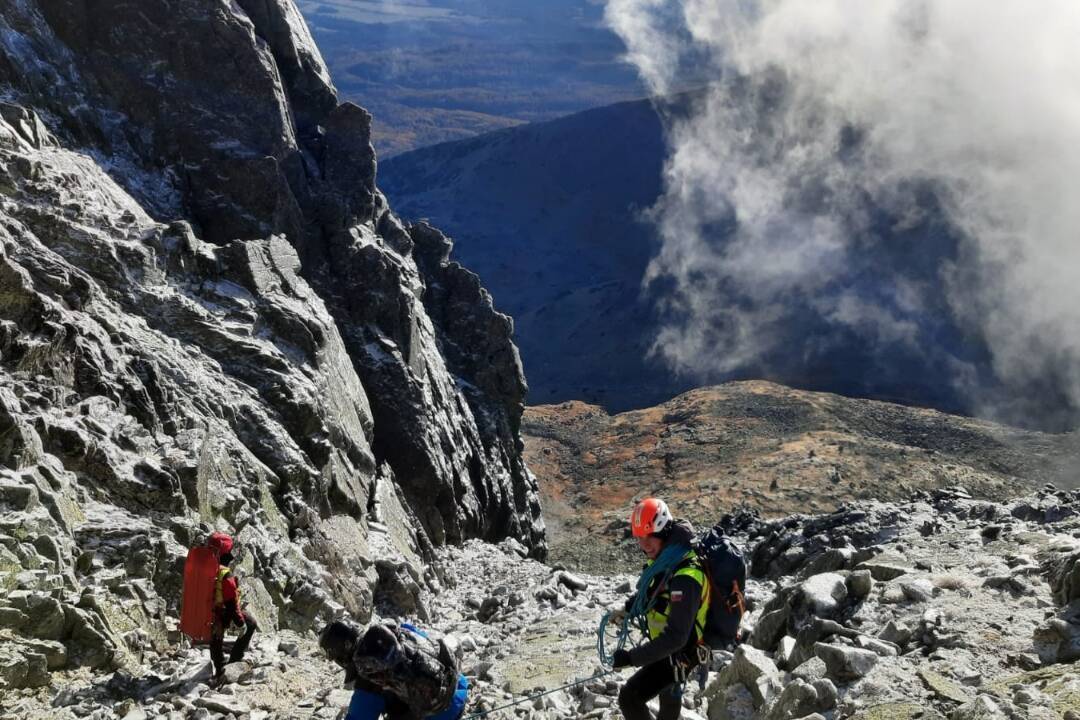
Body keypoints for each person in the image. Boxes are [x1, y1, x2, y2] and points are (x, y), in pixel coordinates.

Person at [611, 498, 709, 720]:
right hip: (668, 649)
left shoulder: (686, 576)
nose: (644, 544)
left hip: (680, 652)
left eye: (650, 536)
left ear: (664, 530)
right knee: (668, 693)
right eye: (640, 538)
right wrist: (627, 608)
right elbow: (653, 591)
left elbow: (676, 637)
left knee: (629, 697)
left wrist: (630, 657)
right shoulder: (666, 559)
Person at [320, 619, 469, 720]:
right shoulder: (396, 630)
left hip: (439, 715)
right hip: (458, 687)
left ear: (341, 657)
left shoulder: (368, 677)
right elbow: (433, 644)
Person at [208, 532, 258, 679]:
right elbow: (231, 603)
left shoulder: (204, 568)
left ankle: (219, 666)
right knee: (250, 623)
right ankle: (235, 660)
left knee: (216, 638)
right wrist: (240, 623)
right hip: (222, 611)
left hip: (207, 611)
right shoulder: (225, 574)